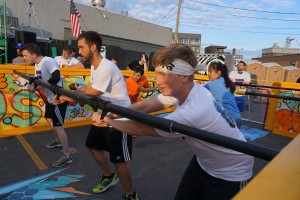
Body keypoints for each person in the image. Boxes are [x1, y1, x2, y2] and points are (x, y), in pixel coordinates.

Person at [98, 44, 253, 200]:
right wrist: (113, 113)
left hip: (232, 172)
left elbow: (141, 129)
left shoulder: (194, 110)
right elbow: (146, 105)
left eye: (163, 74)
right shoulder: (185, 90)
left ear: (183, 75)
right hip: (205, 162)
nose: (157, 81)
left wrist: (108, 120)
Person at [53, 31, 138, 200]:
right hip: (104, 112)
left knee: (119, 160)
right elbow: (90, 86)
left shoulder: (107, 67)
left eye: (81, 47)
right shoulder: (94, 66)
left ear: (93, 47)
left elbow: (92, 92)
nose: (78, 51)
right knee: (92, 144)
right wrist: (72, 93)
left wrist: (66, 96)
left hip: (118, 117)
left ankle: (130, 195)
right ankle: (109, 176)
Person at [22, 43, 73, 168]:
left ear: (33, 54)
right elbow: (42, 82)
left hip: (57, 98)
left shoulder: (47, 61)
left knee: (58, 126)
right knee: (49, 118)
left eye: (25, 55)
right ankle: (57, 141)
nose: (24, 58)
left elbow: (56, 77)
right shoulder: (37, 65)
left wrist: (36, 86)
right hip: (50, 98)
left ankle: (67, 156)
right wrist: (34, 87)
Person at [204, 62, 242, 128]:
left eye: (210, 72)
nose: (208, 74)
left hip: (226, 120)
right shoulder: (228, 83)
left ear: (218, 73)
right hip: (237, 118)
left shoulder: (209, 85)